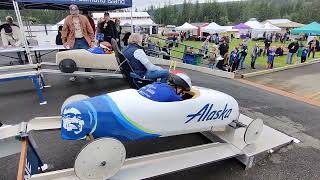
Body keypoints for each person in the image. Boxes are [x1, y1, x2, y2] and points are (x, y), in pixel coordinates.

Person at [61, 4, 95, 81]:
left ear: (78, 10)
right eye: (72, 11)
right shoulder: (67, 19)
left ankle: (88, 74)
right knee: (73, 58)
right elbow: (64, 30)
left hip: (84, 40)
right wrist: (64, 41)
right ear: (70, 11)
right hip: (73, 41)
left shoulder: (84, 18)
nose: (74, 12)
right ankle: (74, 75)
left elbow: (90, 30)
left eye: (75, 10)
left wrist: (92, 41)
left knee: (86, 57)